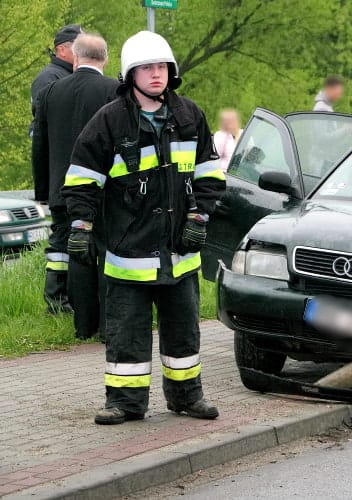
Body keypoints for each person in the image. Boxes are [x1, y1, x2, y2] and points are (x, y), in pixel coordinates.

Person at [62, 31, 226, 425]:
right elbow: (82, 179)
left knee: (184, 334)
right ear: (129, 75)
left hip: (179, 253)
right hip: (128, 254)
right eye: (147, 68)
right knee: (126, 335)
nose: (156, 75)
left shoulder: (190, 116)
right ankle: (125, 403)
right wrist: (81, 226)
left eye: (162, 68)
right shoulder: (110, 121)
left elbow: (209, 176)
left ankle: (188, 397)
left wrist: (198, 218)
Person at [32, 34, 119, 331]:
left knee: (71, 248)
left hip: (61, 187)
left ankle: (82, 324)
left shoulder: (51, 92)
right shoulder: (114, 90)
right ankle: (107, 322)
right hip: (103, 189)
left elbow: (40, 146)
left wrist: (43, 190)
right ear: (105, 59)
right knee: (106, 249)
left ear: (77, 57)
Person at [31, 25, 82, 124]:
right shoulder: (47, 77)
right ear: (62, 50)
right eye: (80, 47)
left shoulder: (77, 73)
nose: (85, 51)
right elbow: (44, 120)